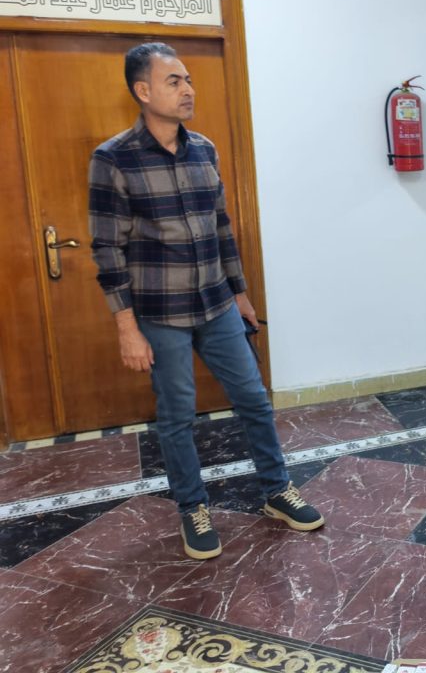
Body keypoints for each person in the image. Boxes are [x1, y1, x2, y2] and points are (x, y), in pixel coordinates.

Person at [88, 42, 324, 560]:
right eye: (173, 81)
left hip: (217, 303)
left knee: (254, 398)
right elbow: (107, 248)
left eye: (188, 79)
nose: (188, 89)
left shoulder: (204, 149)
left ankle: (277, 490)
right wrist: (126, 327)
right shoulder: (113, 159)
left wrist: (241, 294)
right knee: (178, 416)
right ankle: (192, 508)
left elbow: (221, 228)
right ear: (142, 90)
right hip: (160, 313)